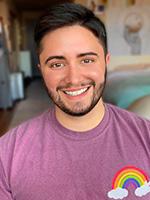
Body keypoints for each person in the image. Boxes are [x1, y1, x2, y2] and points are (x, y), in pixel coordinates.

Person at [0, 3, 150, 200]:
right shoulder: (6, 154)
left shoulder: (145, 137)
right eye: (57, 64)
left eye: (86, 60)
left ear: (106, 61)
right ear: (41, 70)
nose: (74, 78)